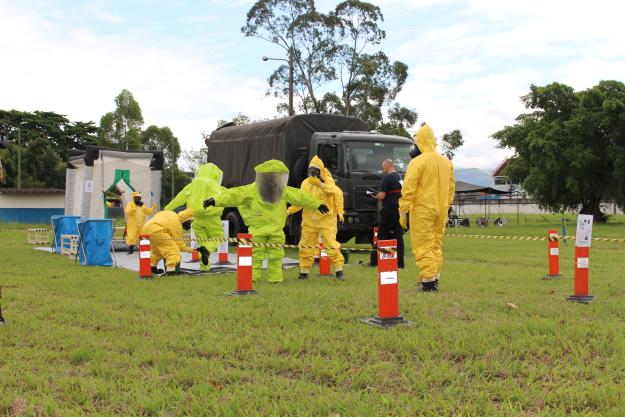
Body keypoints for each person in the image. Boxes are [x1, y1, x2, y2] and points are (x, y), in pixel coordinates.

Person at [204, 159, 327, 283]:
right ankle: (256, 279)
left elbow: (301, 197)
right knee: (262, 256)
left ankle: (269, 279)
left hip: (269, 230)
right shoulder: (256, 190)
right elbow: (233, 195)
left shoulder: (281, 190)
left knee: (272, 256)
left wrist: (317, 204)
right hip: (262, 230)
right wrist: (215, 200)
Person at [399, 124, 455, 292]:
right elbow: (451, 190)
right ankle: (433, 278)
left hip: (423, 210)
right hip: (441, 210)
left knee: (423, 246)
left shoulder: (417, 162)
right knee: (435, 245)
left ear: (419, 143)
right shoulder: (447, 163)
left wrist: (403, 211)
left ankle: (428, 283)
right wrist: (446, 206)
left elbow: (408, 189)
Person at [287, 156, 345, 279]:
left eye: (315, 169)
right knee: (305, 244)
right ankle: (304, 271)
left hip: (327, 220)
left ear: (321, 170)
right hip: (309, 220)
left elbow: (335, 194)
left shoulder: (328, 181)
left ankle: (339, 270)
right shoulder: (305, 183)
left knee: (331, 244)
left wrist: (340, 213)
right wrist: (289, 211)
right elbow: (301, 200)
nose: (312, 172)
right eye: (311, 169)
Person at [165, 163, 224, 271]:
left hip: (196, 218)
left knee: (201, 242)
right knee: (218, 237)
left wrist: (167, 209)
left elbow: (179, 198)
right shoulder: (216, 186)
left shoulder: (191, 185)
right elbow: (227, 199)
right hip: (212, 218)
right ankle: (207, 249)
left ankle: (204, 268)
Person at [370, 159, 405, 268]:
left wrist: (374, 196)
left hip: (389, 209)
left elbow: (382, 195)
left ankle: (378, 261)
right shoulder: (400, 177)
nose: (383, 170)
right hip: (400, 209)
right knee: (397, 236)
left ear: (387, 166)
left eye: (383, 167)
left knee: (383, 234)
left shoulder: (387, 177)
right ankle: (399, 263)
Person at [141, 209, 195, 275]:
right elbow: (178, 242)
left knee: (157, 251)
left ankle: (152, 268)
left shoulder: (171, 214)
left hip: (146, 229)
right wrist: (188, 249)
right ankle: (170, 271)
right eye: (189, 223)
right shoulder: (177, 223)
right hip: (157, 230)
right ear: (185, 220)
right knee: (173, 250)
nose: (189, 225)